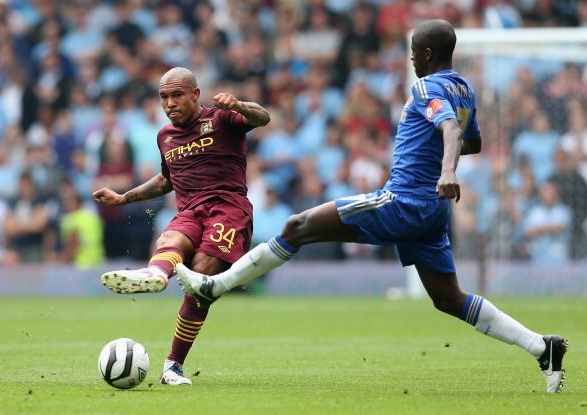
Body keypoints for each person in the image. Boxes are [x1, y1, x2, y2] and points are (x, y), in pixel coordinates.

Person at [176, 20, 567, 393]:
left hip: (404, 200)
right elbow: (473, 141)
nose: (411, 60)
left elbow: (449, 129)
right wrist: (433, 153)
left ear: (427, 53)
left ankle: (214, 286)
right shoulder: (464, 88)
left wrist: (446, 170)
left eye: (414, 53)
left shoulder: (426, 88)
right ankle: (541, 347)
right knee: (448, 298)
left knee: (298, 226)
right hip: (431, 210)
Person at [92, 67, 270, 385]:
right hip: (190, 210)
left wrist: (240, 105)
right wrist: (123, 198)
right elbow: (166, 181)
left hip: (228, 209)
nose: (170, 103)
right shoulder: (165, 137)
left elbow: (263, 118)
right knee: (172, 235)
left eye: (177, 95)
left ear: (195, 94)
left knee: (201, 278)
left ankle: (173, 365)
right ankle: (157, 274)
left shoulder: (222, 118)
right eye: (164, 96)